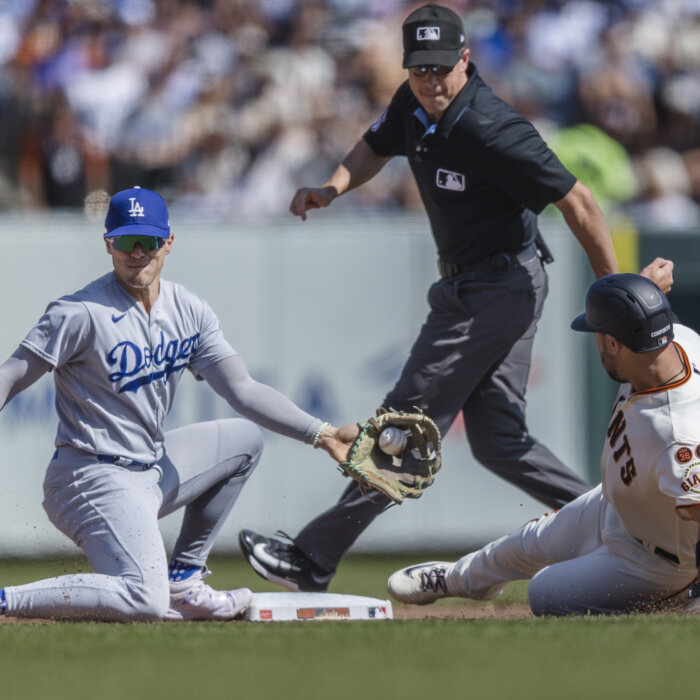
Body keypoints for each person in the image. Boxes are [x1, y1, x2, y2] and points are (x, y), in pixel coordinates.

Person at [238, 3, 627, 593]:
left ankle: (312, 558)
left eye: (442, 68)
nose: (431, 80)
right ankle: (629, 532)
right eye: (420, 69)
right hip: (478, 284)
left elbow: (581, 204)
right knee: (499, 443)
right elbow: (373, 146)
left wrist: (612, 303)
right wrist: (332, 188)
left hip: (496, 287)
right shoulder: (412, 104)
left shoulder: (491, 126)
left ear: (466, 60)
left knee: (404, 427)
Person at [0, 187, 356, 622]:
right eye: (125, 241)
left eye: (147, 241)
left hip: (149, 469)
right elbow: (11, 377)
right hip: (88, 477)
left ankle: (185, 580)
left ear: (168, 241)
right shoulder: (79, 312)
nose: (137, 253)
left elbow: (242, 389)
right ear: (108, 244)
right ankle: (6, 600)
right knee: (144, 600)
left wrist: (323, 434)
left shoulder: (188, 310)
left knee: (244, 440)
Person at [387, 273, 700, 616]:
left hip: (655, 561)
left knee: (545, 594)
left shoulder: (679, 436)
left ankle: (676, 597)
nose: (595, 342)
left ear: (613, 343)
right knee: (528, 541)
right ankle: (457, 578)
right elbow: (643, 319)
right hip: (613, 505)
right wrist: (641, 292)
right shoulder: (678, 341)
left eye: (597, 335)